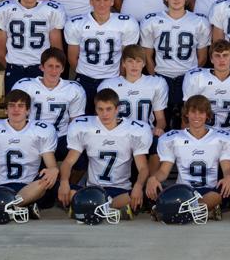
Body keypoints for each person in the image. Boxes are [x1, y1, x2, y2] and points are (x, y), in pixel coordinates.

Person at [58, 89, 152, 219]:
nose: (104, 114)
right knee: (67, 190)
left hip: (121, 190)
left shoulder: (134, 130)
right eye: (100, 109)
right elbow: (68, 162)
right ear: (95, 109)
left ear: (117, 109)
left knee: (137, 195)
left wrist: (138, 185)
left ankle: (89, 207)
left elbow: (143, 167)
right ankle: (112, 209)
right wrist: (63, 182)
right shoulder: (85, 127)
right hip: (93, 189)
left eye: (108, 109)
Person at [146, 95, 230, 220]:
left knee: (218, 195)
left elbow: (227, 168)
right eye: (193, 112)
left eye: (201, 112)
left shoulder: (221, 138)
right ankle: (202, 210)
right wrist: (153, 178)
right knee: (158, 190)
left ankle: (175, 211)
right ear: (186, 114)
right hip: (183, 190)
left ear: (207, 115)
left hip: (208, 189)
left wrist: (229, 177)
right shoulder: (174, 138)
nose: (197, 116)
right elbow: (164, 171)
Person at [140, 0, 211, 129]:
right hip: (162, 76)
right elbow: (147, 55)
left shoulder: (199, 22)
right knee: (161, 123)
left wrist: (191, 75)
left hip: (187, 76)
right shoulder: (153, 21)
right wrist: (155, 76)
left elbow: (203, 56)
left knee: (186, 123)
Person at [0, 90, 58, 214]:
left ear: (28, 110)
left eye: (21, 106)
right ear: (6, 110)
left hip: (29, 187)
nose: (16, 109)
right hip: (1, 187)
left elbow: (51, 166)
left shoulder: (41, 130)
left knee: (45, 181)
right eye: (12, 105)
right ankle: (16, 207)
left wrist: (53, 170)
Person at [64, 0, 139, 114]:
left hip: (112, 79)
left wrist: (119, 77)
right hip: (85, 79)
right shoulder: (77, 23)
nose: (102, 4)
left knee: (111, 118)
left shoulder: (126, 23)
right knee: (83, 118)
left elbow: (126, 56)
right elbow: (72, 57)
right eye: (97, 0)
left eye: (105, 0)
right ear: (91, 1)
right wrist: (86, 72)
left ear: (112, 1)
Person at [12, 47, 87, 179]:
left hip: (61, 136)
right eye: (50, 66)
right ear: (41, 67)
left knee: (83, 158)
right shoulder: (25, 86)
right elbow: (16, 117)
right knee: (39, 178)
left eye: (57, 66)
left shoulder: (73, 89)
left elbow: (76, 122)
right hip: (35, 138)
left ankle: (68, 186)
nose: (53, 70)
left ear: (63, 69)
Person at [97, 45, 168, 173]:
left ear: (144, 63)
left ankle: (149, 184)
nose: (134, 65)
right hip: (119, 133)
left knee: (159, 143)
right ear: (123, 63)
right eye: (130, 61)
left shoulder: (156, 84)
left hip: (146, 133)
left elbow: (161, 118)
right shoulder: (109, 85)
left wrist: (159, 128)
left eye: (138, 61)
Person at [0, 0, 66, 92]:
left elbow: (57, 50)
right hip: (14, 68)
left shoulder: (51, 11)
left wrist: (49, 69)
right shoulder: (4, 10)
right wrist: (13, 67)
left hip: (40, 68)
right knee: (15, 108)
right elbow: (0, 52)